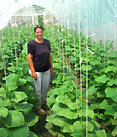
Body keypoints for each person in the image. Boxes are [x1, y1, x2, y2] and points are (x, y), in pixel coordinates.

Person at [27, 25, 53, 114]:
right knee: (37, 90)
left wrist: (51, 67)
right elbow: (30, 58)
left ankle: (43, 103)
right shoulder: (31, 44)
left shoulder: (46, 42)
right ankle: (38, 108)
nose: (39, 34)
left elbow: (49, 55)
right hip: (37, 71)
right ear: (35, 33)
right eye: (37, 32)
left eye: (41, 32)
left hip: (46, 70)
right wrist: (33, 72)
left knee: (45, 89)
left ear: (43, 32)